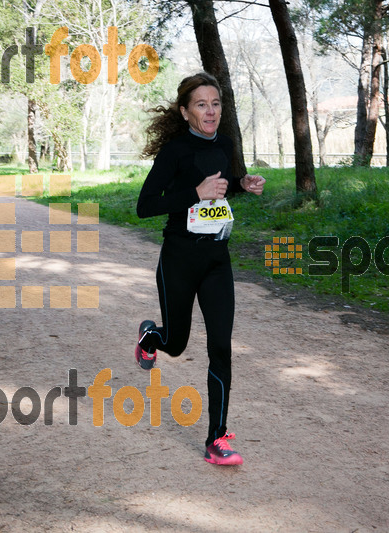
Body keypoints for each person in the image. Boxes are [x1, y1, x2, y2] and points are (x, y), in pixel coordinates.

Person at [135, 72, 265, 466]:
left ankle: (217, 438)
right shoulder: (174, 151)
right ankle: (150, 337)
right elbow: (145, 206)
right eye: (201, 105)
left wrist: (242, 183)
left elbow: (222, 187)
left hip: (216, 259)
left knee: (220, 348)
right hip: (178, 256)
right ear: (185, 111)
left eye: (216, 104)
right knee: (176, 342)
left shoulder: (224, 145)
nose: (211, 111)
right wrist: (195, 193)